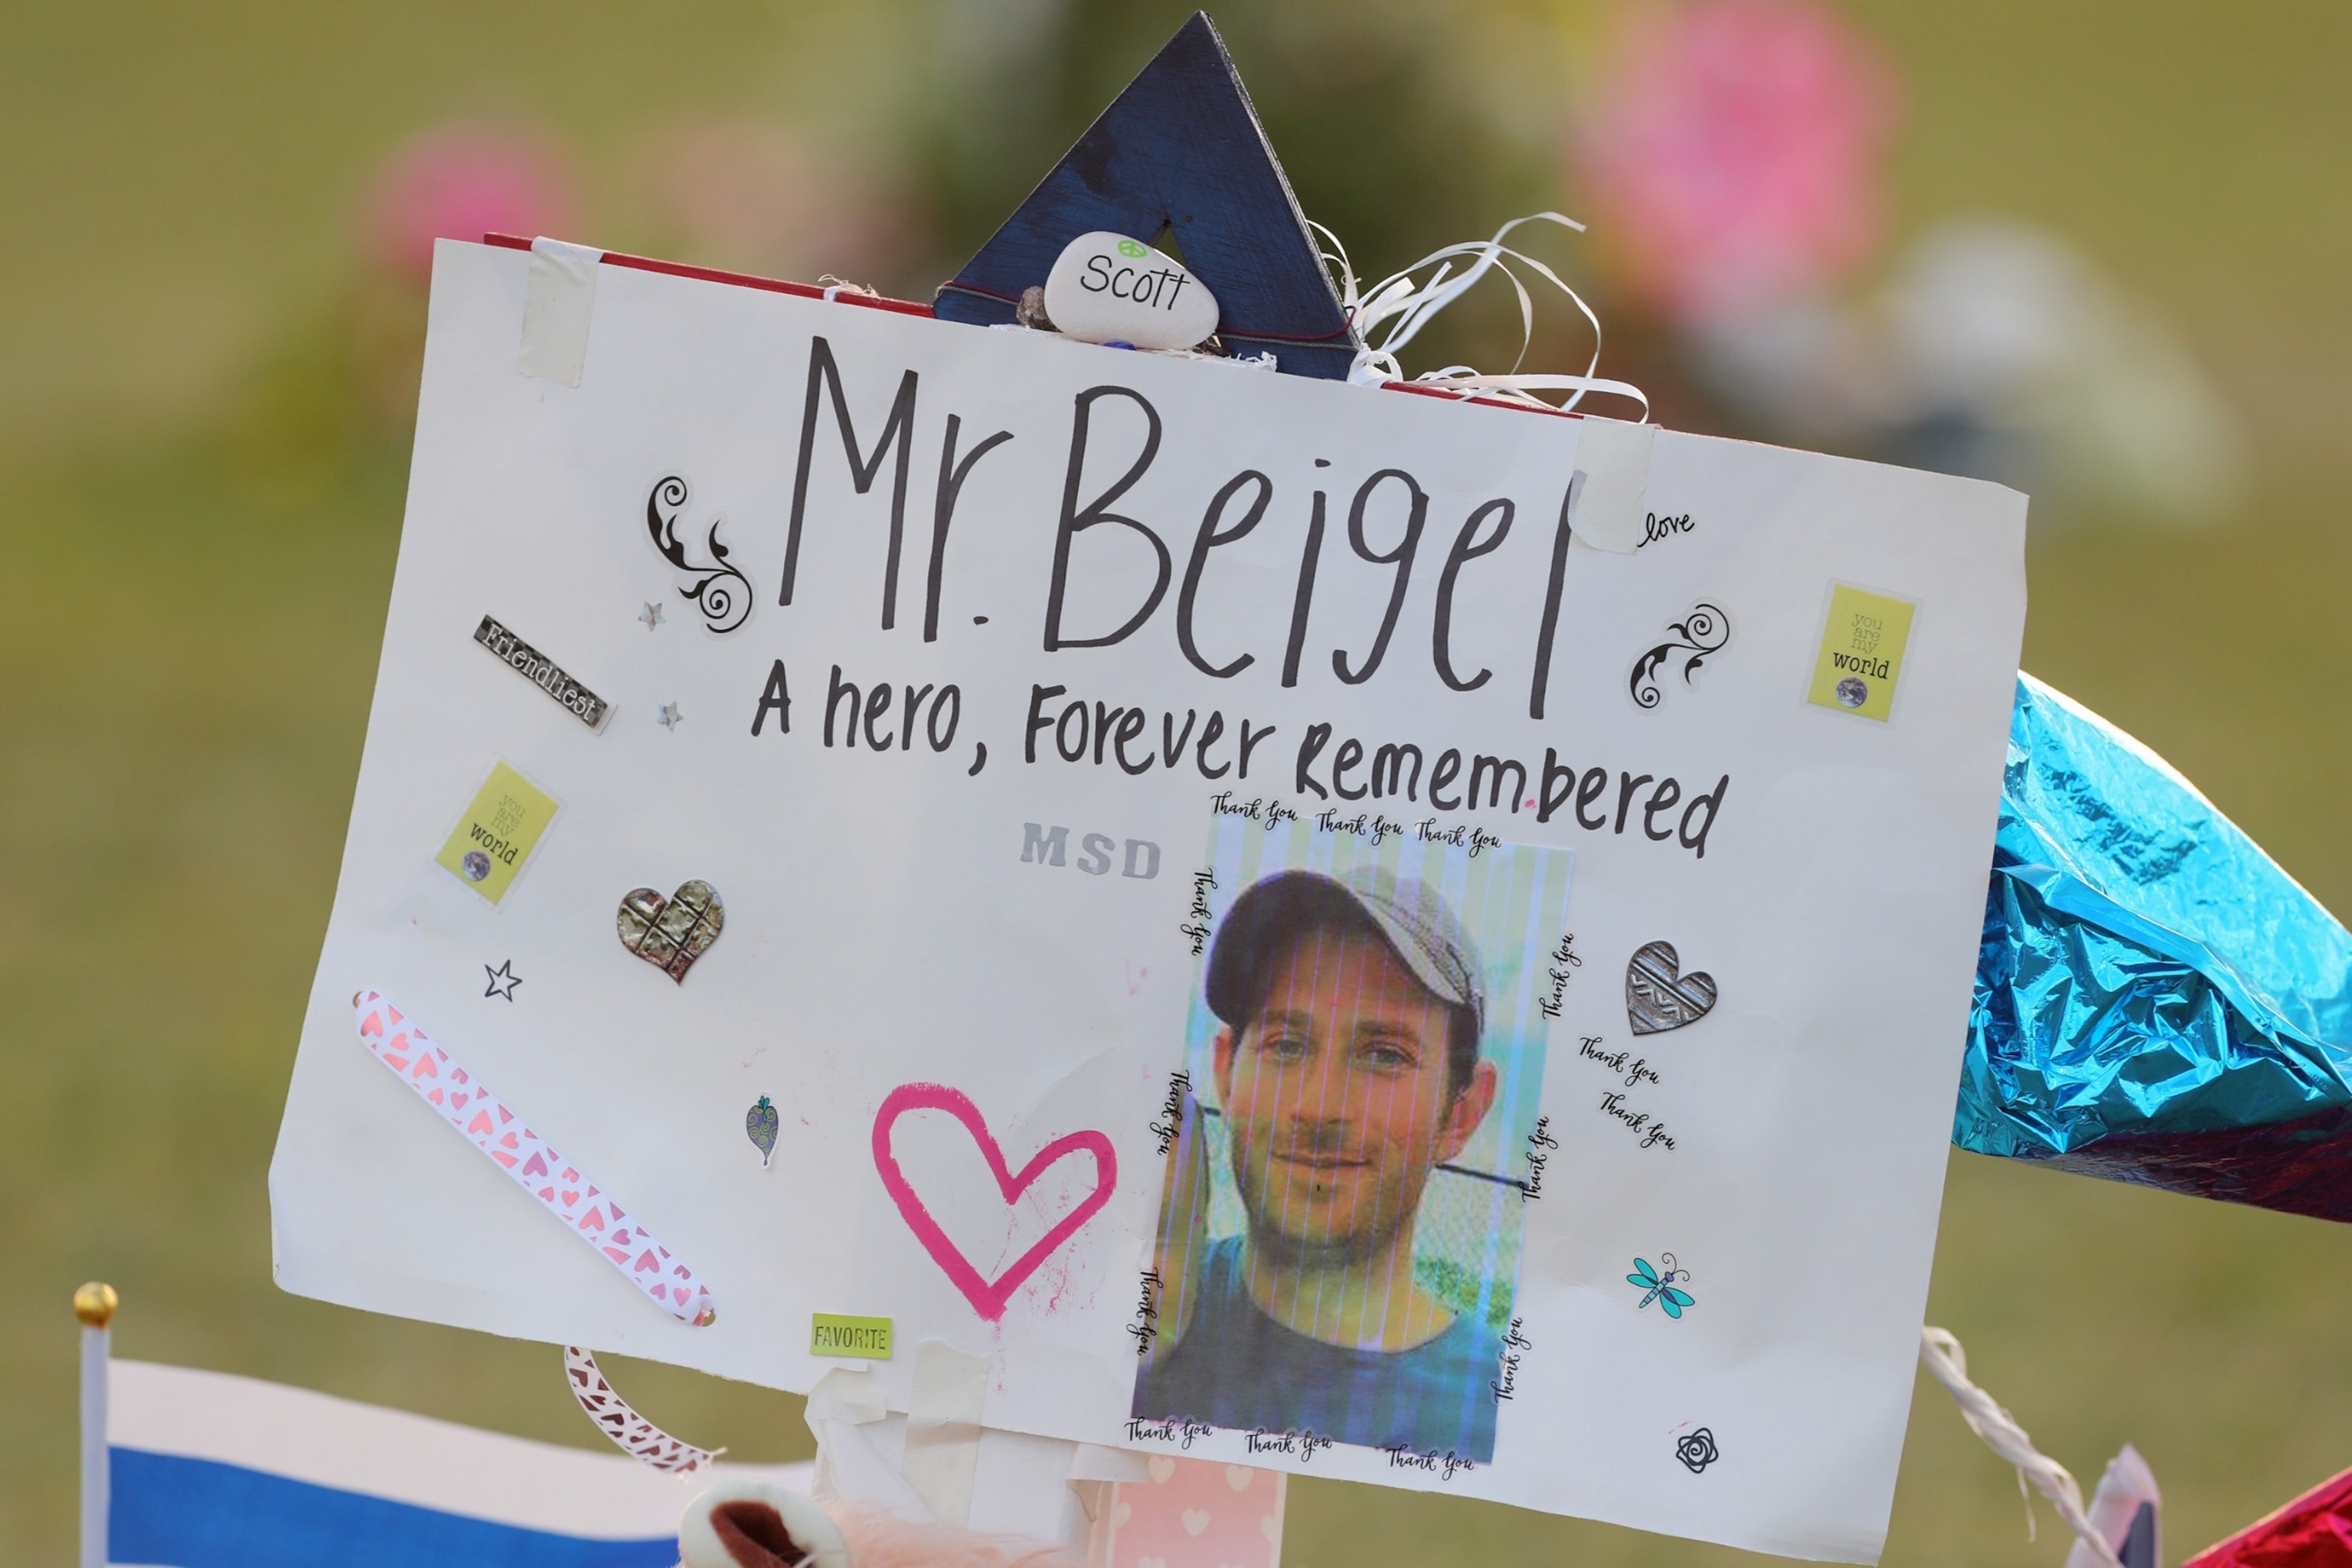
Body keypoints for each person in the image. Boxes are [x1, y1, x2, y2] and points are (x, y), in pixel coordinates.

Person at [1132, 865, 1504, 1462]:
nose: (1318, 1106)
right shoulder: (1127, 1318)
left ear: (1461, 1114)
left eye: (1385, 1055)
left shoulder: (1491, 1418)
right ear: (1226, 1071)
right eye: (1286, 1045)